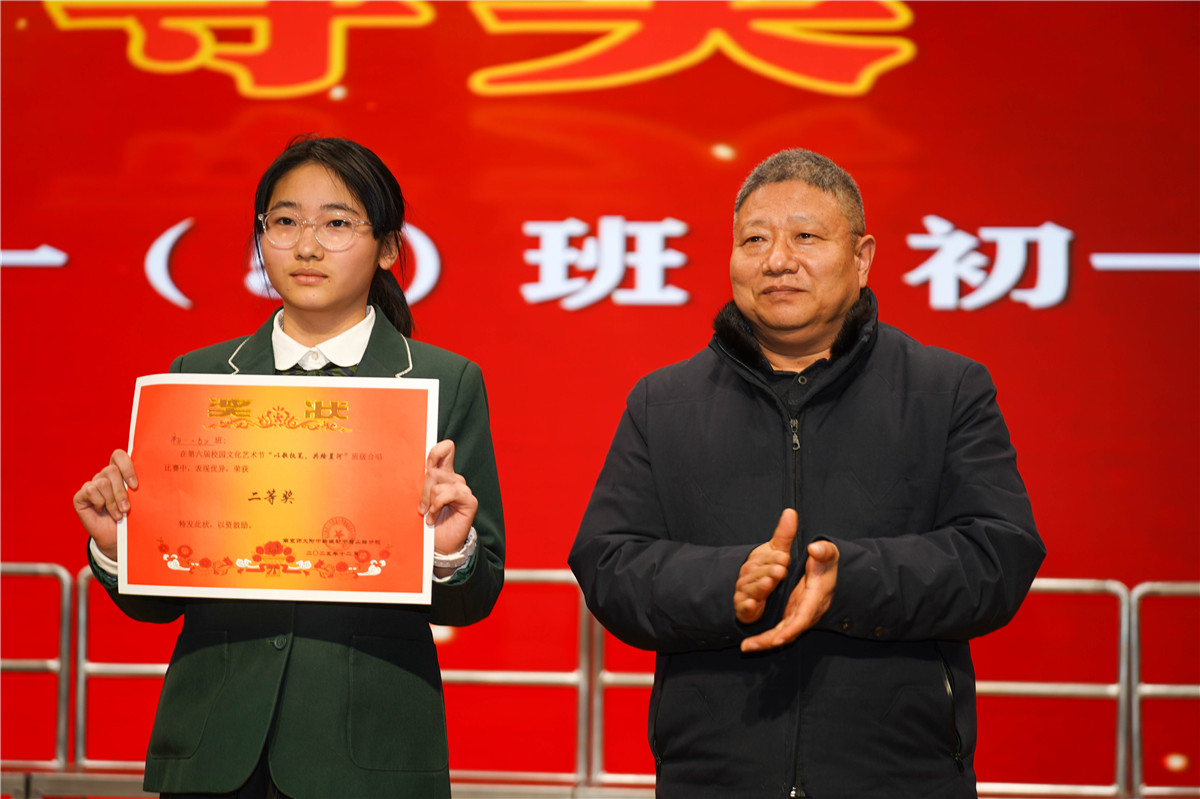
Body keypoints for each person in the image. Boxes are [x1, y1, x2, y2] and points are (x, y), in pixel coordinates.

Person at [569, 148, 1045, 798]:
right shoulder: (663, 402)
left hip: (900, 775)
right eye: (754, 240)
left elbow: (998, 554)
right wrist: (728, 582)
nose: (777, 260)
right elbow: (607, 561)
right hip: (714, 776)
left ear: (862, 257)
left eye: (805, 237)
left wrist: (851, 579)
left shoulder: (946, 389)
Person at [73, 135, 504, 799]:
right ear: (261, 236)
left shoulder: (444, 382)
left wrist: (447, 552)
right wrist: (117, 545)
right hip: (215, 749)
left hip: (369, 752)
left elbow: (473, 599)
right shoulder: (200, 377)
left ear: (389, 248)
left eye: (337, 223)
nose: (307, 246)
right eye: (284, 221)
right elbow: (156, 602)